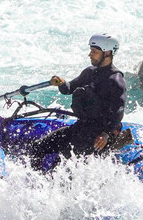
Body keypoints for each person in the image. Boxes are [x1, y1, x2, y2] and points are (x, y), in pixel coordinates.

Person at [28, 33, 127, 171]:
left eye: (94, 52)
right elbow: (69, 89)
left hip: (98, 134)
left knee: (60, 166)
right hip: (82, 127)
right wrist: (61, 83)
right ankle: (35, 180)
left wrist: (105, 134)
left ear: (107, 53)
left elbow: (118, 112)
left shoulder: (115, 80)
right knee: (38, 147)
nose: (90, 54)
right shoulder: (89, 72)